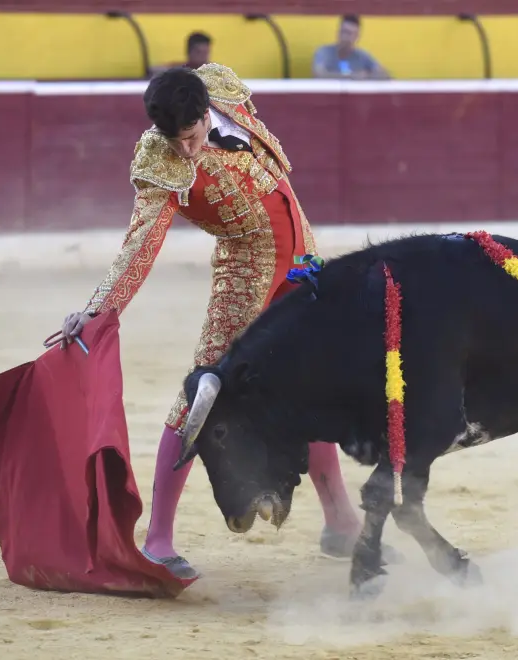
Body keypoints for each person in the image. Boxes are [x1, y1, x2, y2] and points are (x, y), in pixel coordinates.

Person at [57, 64, 401, 580]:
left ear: (205, 112)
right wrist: (99, 309)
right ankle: (158, 540)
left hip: (303, 260)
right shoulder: (158, 160)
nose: (188, 152)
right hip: (246, 273)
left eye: (192, 137)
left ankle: (341, 523)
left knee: (315, 384)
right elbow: (141, 245)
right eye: (177, 143)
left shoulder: (220, 87)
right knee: (203, 391)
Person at [312, 15, 389, 80]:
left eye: (349, 33)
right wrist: (350, 76)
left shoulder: (362, 56)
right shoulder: (324, 52)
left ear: (357, 37)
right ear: (338, 33)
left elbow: (385, 75)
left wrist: (366, 76)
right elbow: (318, 74)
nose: (345, 37)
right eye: (343, 32)